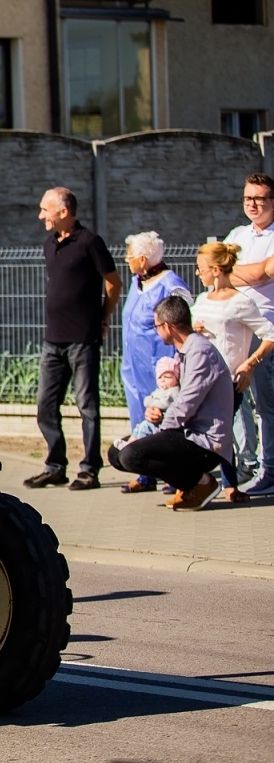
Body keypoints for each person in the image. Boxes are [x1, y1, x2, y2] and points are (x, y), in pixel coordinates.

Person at [26, 187, 121, 491]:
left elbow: (113, 283)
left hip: (83, 339)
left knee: (87, 406)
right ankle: (55, 466)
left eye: (45, 209)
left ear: (63, 212)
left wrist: (103, 318)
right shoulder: (49, 244)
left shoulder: (90, 242)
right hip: (52, 340)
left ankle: (89, 470)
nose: (41, 215)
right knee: (45, 406)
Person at [107, 295, 236, 511]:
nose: (156, 331)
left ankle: (200, 482)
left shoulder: (200, 352)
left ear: (168, 326)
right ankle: (190, 483)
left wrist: (159, 434)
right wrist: (156, 413)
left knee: (131, 455)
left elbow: (187, 402)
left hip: (205, 442)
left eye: (156, 326)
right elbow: (178, 399)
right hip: (186, 432)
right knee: (116, 454)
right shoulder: (185, 351)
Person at [194, 239, 274, 502]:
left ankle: (228, 485)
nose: (198, 273)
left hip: (228, 379)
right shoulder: (203, 298)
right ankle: (197, 480)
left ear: (216, 270)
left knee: (222, 432)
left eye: (201, 268)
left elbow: (269, 334)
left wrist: (249, 365)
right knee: (201, 431)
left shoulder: (242, 302)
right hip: (200, 377)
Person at [114, 231, 191, 494]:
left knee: (166, 422)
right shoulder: (138, 282)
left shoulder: (171, 285)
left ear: (144, 259)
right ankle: (145, 473)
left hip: (162, 370)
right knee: (140, 420)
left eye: (130, 256)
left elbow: (183, 324)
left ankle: (172, 474)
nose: (126, 260)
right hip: (135, 371)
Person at [227, 173, 274, 495]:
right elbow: (216, 270)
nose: (253, 204)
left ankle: (270, 468)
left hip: (267, 331)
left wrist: (233, 272)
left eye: (260, 199)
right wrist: (244, 273)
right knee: (236, 400)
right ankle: (247, 463)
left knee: (266, 405)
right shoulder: (238, 234)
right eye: (248, 199)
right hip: (236, 330)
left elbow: (262, 273)